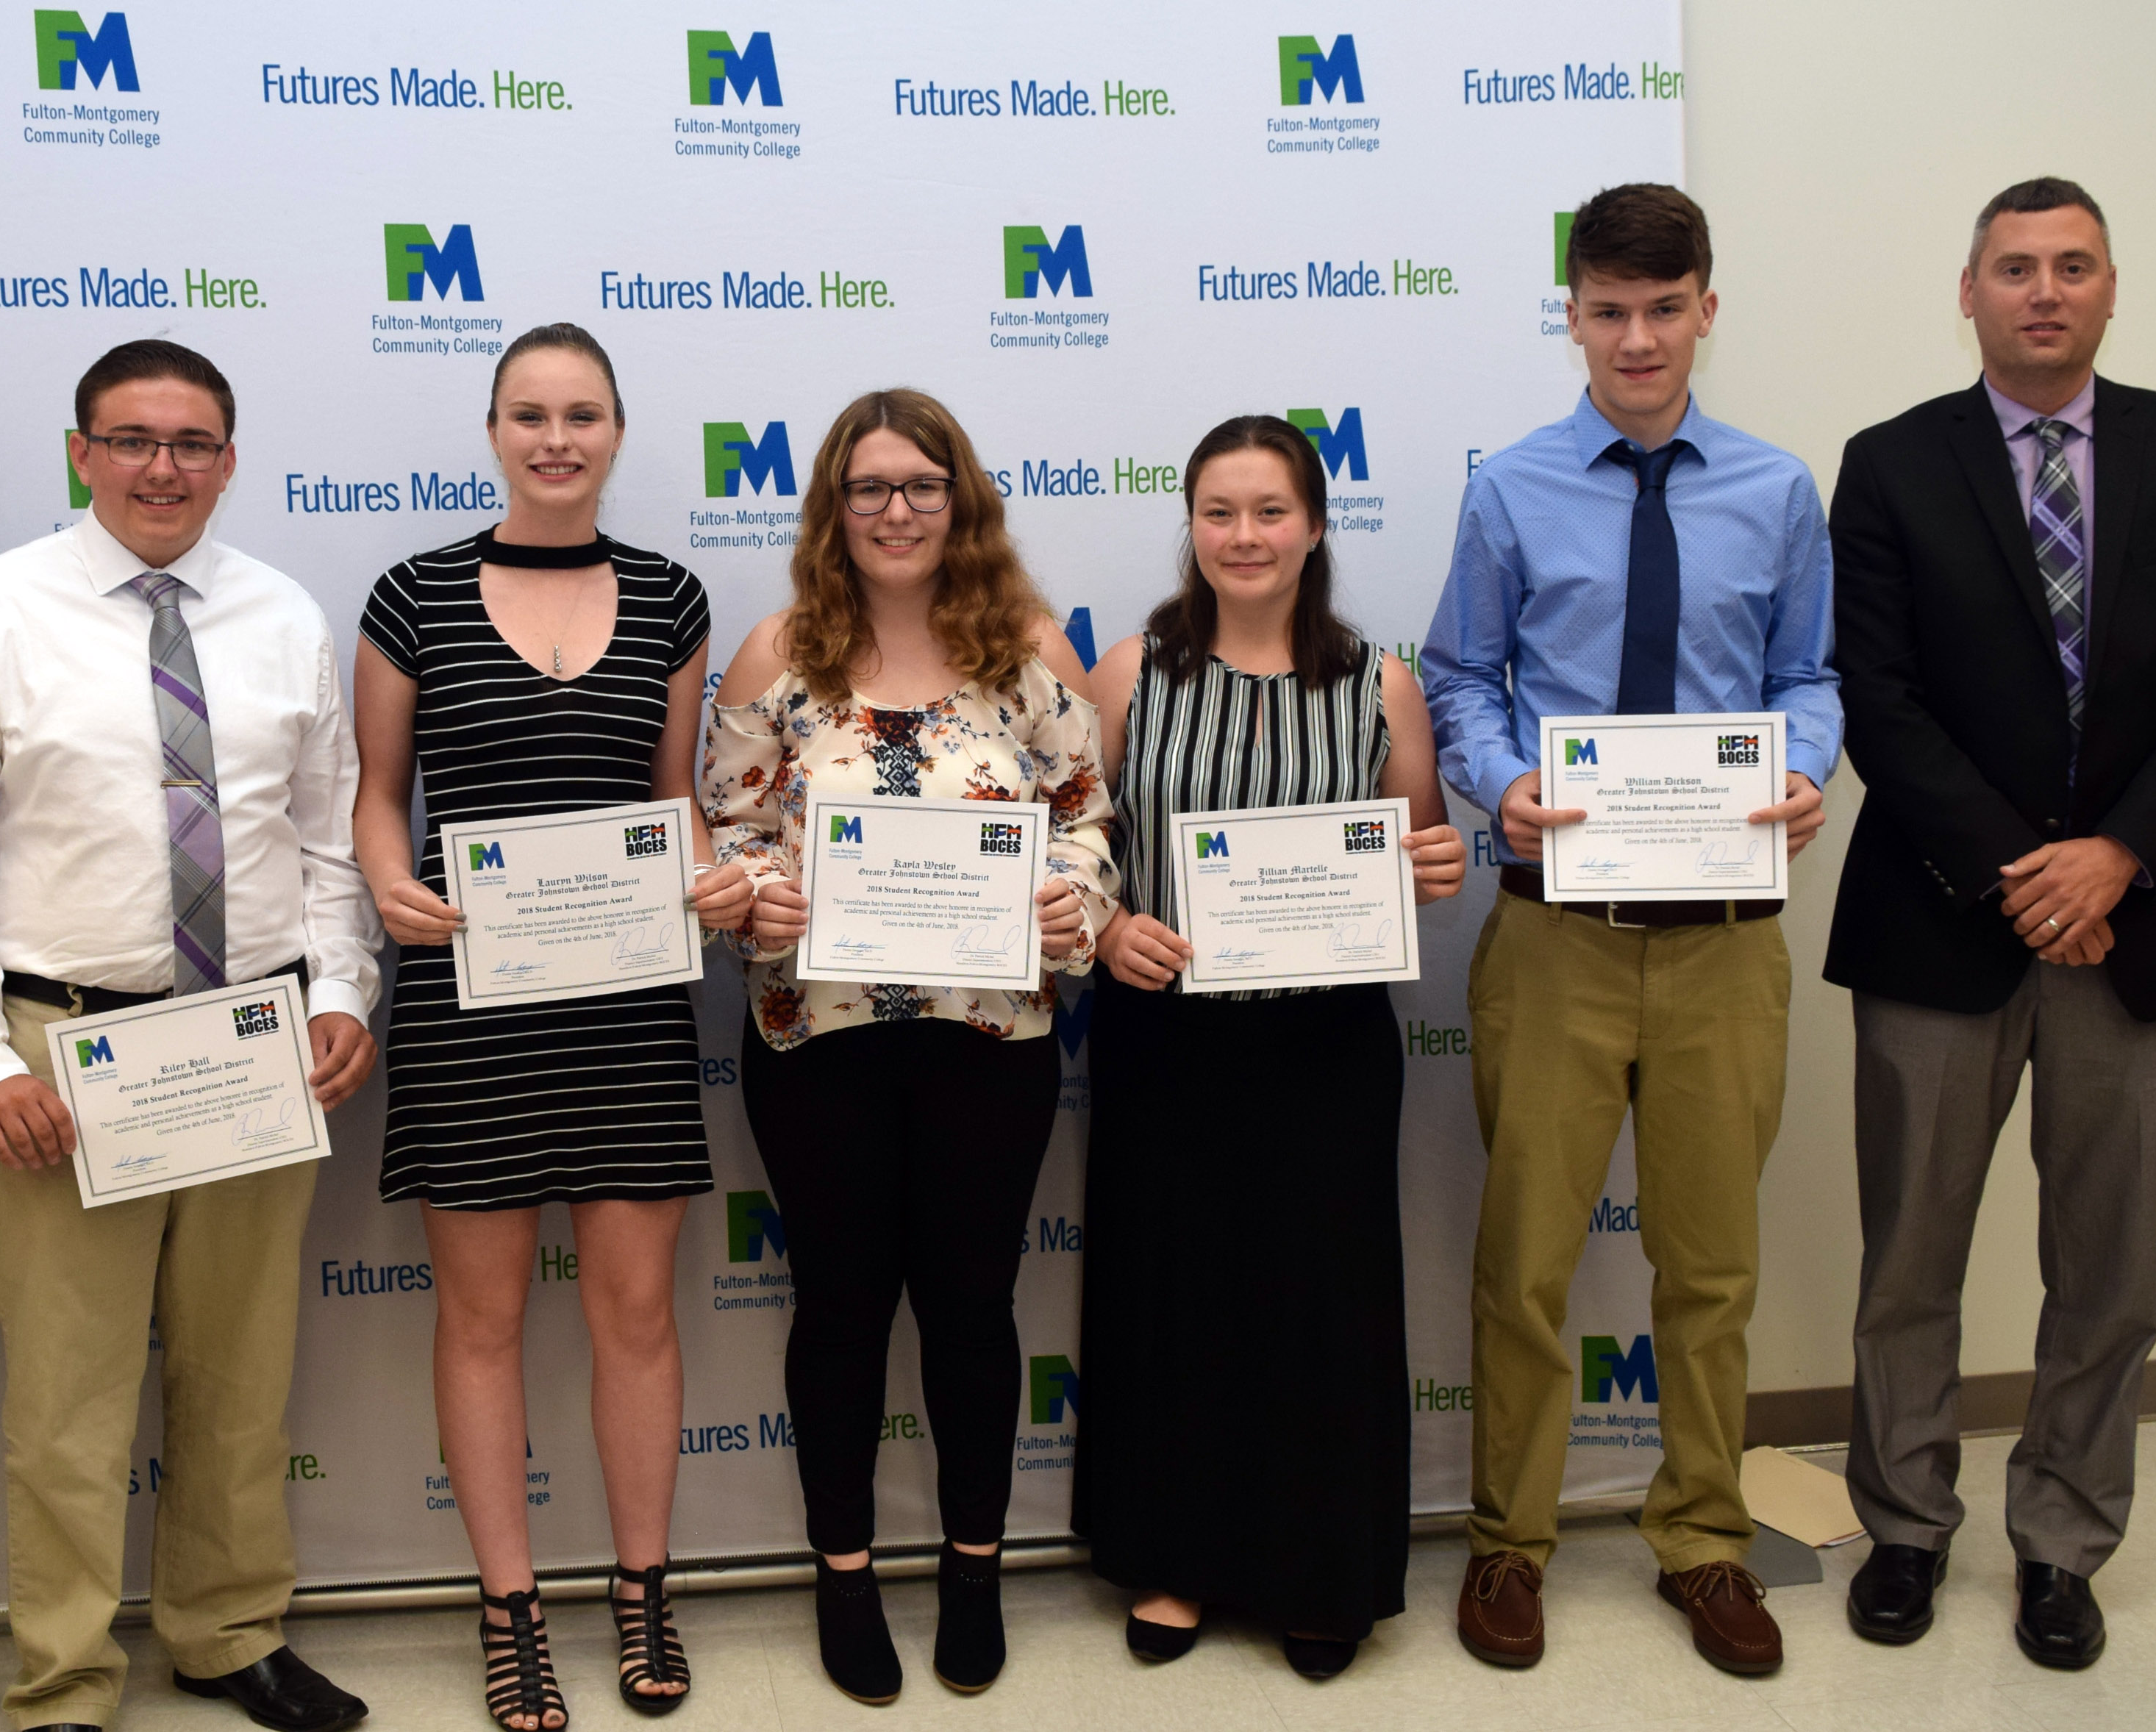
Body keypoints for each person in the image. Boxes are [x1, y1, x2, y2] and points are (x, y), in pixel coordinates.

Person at [0, 340, 382, 1732]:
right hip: (66, 1060)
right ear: (80, 453)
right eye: (134, 439)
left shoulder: (282, 613)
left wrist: (341, 994)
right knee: (68, 1403)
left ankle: (229, 1633)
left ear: (231, 456)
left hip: (250, 1044)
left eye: (194, 442)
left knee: (238, 1378)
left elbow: (328, 841)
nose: (165, 467)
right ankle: (68, 1677)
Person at [1824, 178, 2156, 1670]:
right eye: (2013, 266)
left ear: (2109, 287)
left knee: (2109, 1263)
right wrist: (2029, 866)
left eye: (2071, 265)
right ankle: (1902, 1520)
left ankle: (2063, 1538)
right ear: (1966, 291)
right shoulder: (1888, 466)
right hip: (1942, 918)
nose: (2042, 289)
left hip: (2147, 924)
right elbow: (1873, 696)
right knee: (1910, 1255)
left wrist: (2117, 857)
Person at [1421, 183, 1840, 1677]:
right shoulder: (1512, 487)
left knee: (1710, 1262)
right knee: (1526, 1255)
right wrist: (1497, 778)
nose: (1638, 337)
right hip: (1558, 932)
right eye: (1608, 308)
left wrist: (1805, 763)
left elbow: (1810, 669)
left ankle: (1705, 1536)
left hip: (1727, 933)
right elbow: (1459, 671)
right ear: (1573, 314)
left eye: (1665, 309)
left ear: (1706, 310)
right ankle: (1508, 1545)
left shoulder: (1778, 490)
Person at [352, 323, 752, 1730]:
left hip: (630, 1006)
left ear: (621, 434)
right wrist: (388, 883)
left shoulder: (671, 597)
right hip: (470, 1005)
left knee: (636, 1316)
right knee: (480, 1320)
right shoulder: (409, 594)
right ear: (494, 431)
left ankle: (644, 1587)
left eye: (583, 414)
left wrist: (704, 869)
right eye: (530, 413)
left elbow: (676, 792)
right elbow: (377, 797)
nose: (557, 438)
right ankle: (509, 1607)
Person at [699, 388, 1118, 1703]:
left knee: (974, 1311)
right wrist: (753, 894)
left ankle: (976, 1568)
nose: (896, 511)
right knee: (837, 1309)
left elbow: (1091, 820)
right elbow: (731, 838)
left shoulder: (1025, 647)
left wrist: (1077, 902)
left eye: (921, 487)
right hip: (817, 1041)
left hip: (987, 1041)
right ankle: (844, 1572)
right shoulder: (778, 655)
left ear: (961, 501)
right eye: (870, 488)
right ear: (834, 505)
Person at [1074, 415, 1466, 1678]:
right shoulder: (1134, 671)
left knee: (1322, 1306)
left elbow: (1421, 850)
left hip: (1325, 1042)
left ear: (1313, 525)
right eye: (1220, 512)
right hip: (1166, 1035)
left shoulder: (1378, 684)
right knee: (1173, 1296)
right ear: (1190, 526)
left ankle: (1319, 1572)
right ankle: (1177, 1561)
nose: (1245, 537)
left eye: (1271, 511)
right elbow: (1075, 850)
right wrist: (1108, 927)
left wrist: (1438, 866)